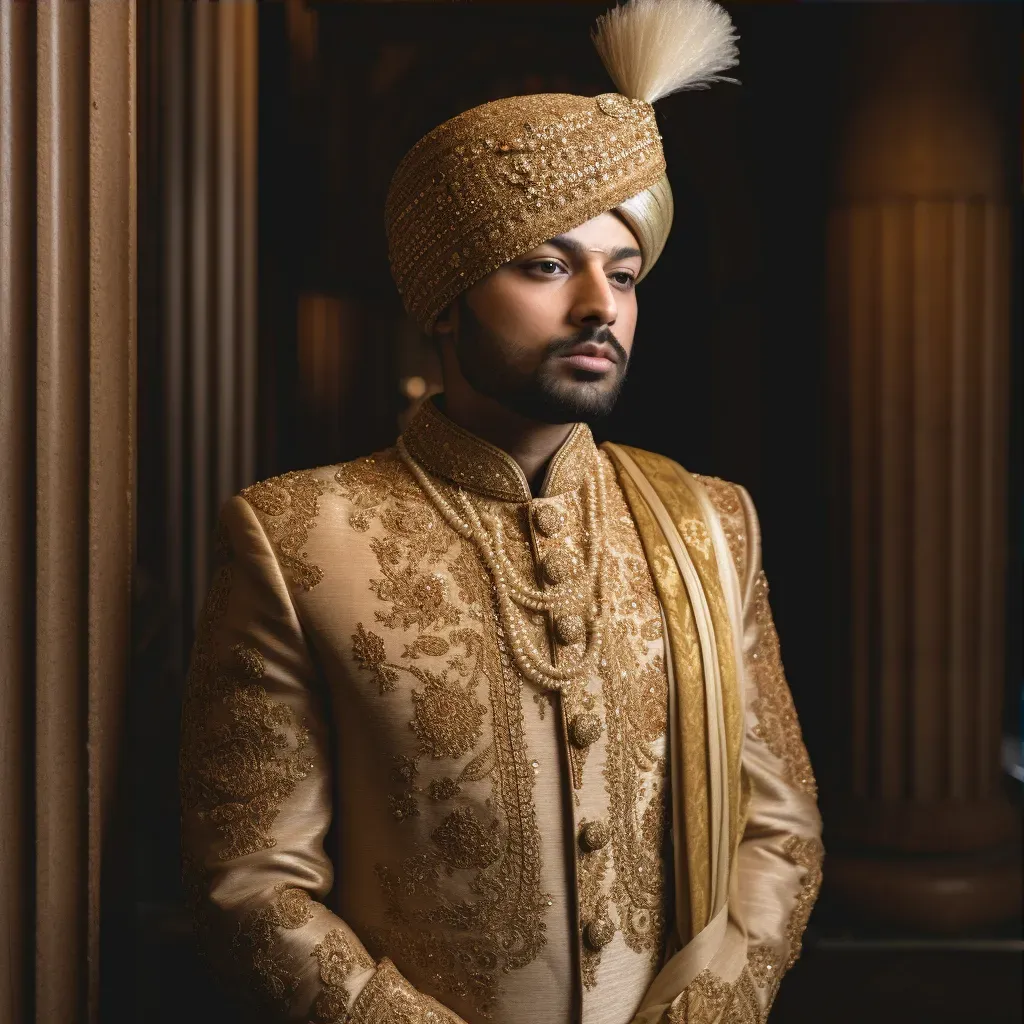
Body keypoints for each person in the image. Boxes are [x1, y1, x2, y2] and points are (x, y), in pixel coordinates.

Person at [178, 1, 822, 1021]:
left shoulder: (711, 521)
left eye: (623, 272)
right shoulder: (296, 536)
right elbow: (252, 881)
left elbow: (778, 830)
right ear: (442, 298)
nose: (597, 307)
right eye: (545, 265)